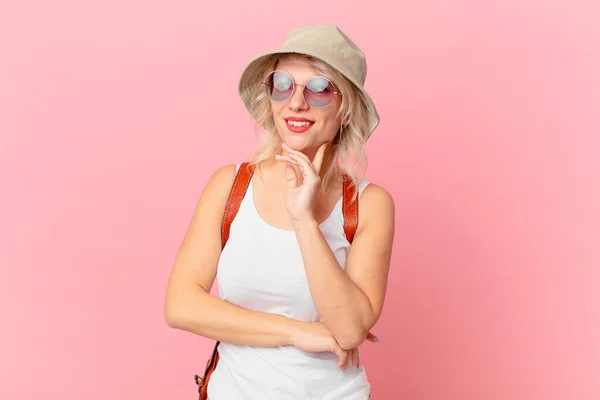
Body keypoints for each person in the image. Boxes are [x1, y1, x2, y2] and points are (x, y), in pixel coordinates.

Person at [164, 23, 395, 399]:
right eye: (282, 83)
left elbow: (351, 329)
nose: (297, 102)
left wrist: (304, 219)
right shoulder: (230, 186)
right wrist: (298, 332)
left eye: (320, 89)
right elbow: (180, 305)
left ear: (347, 109)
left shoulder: (369, 205)